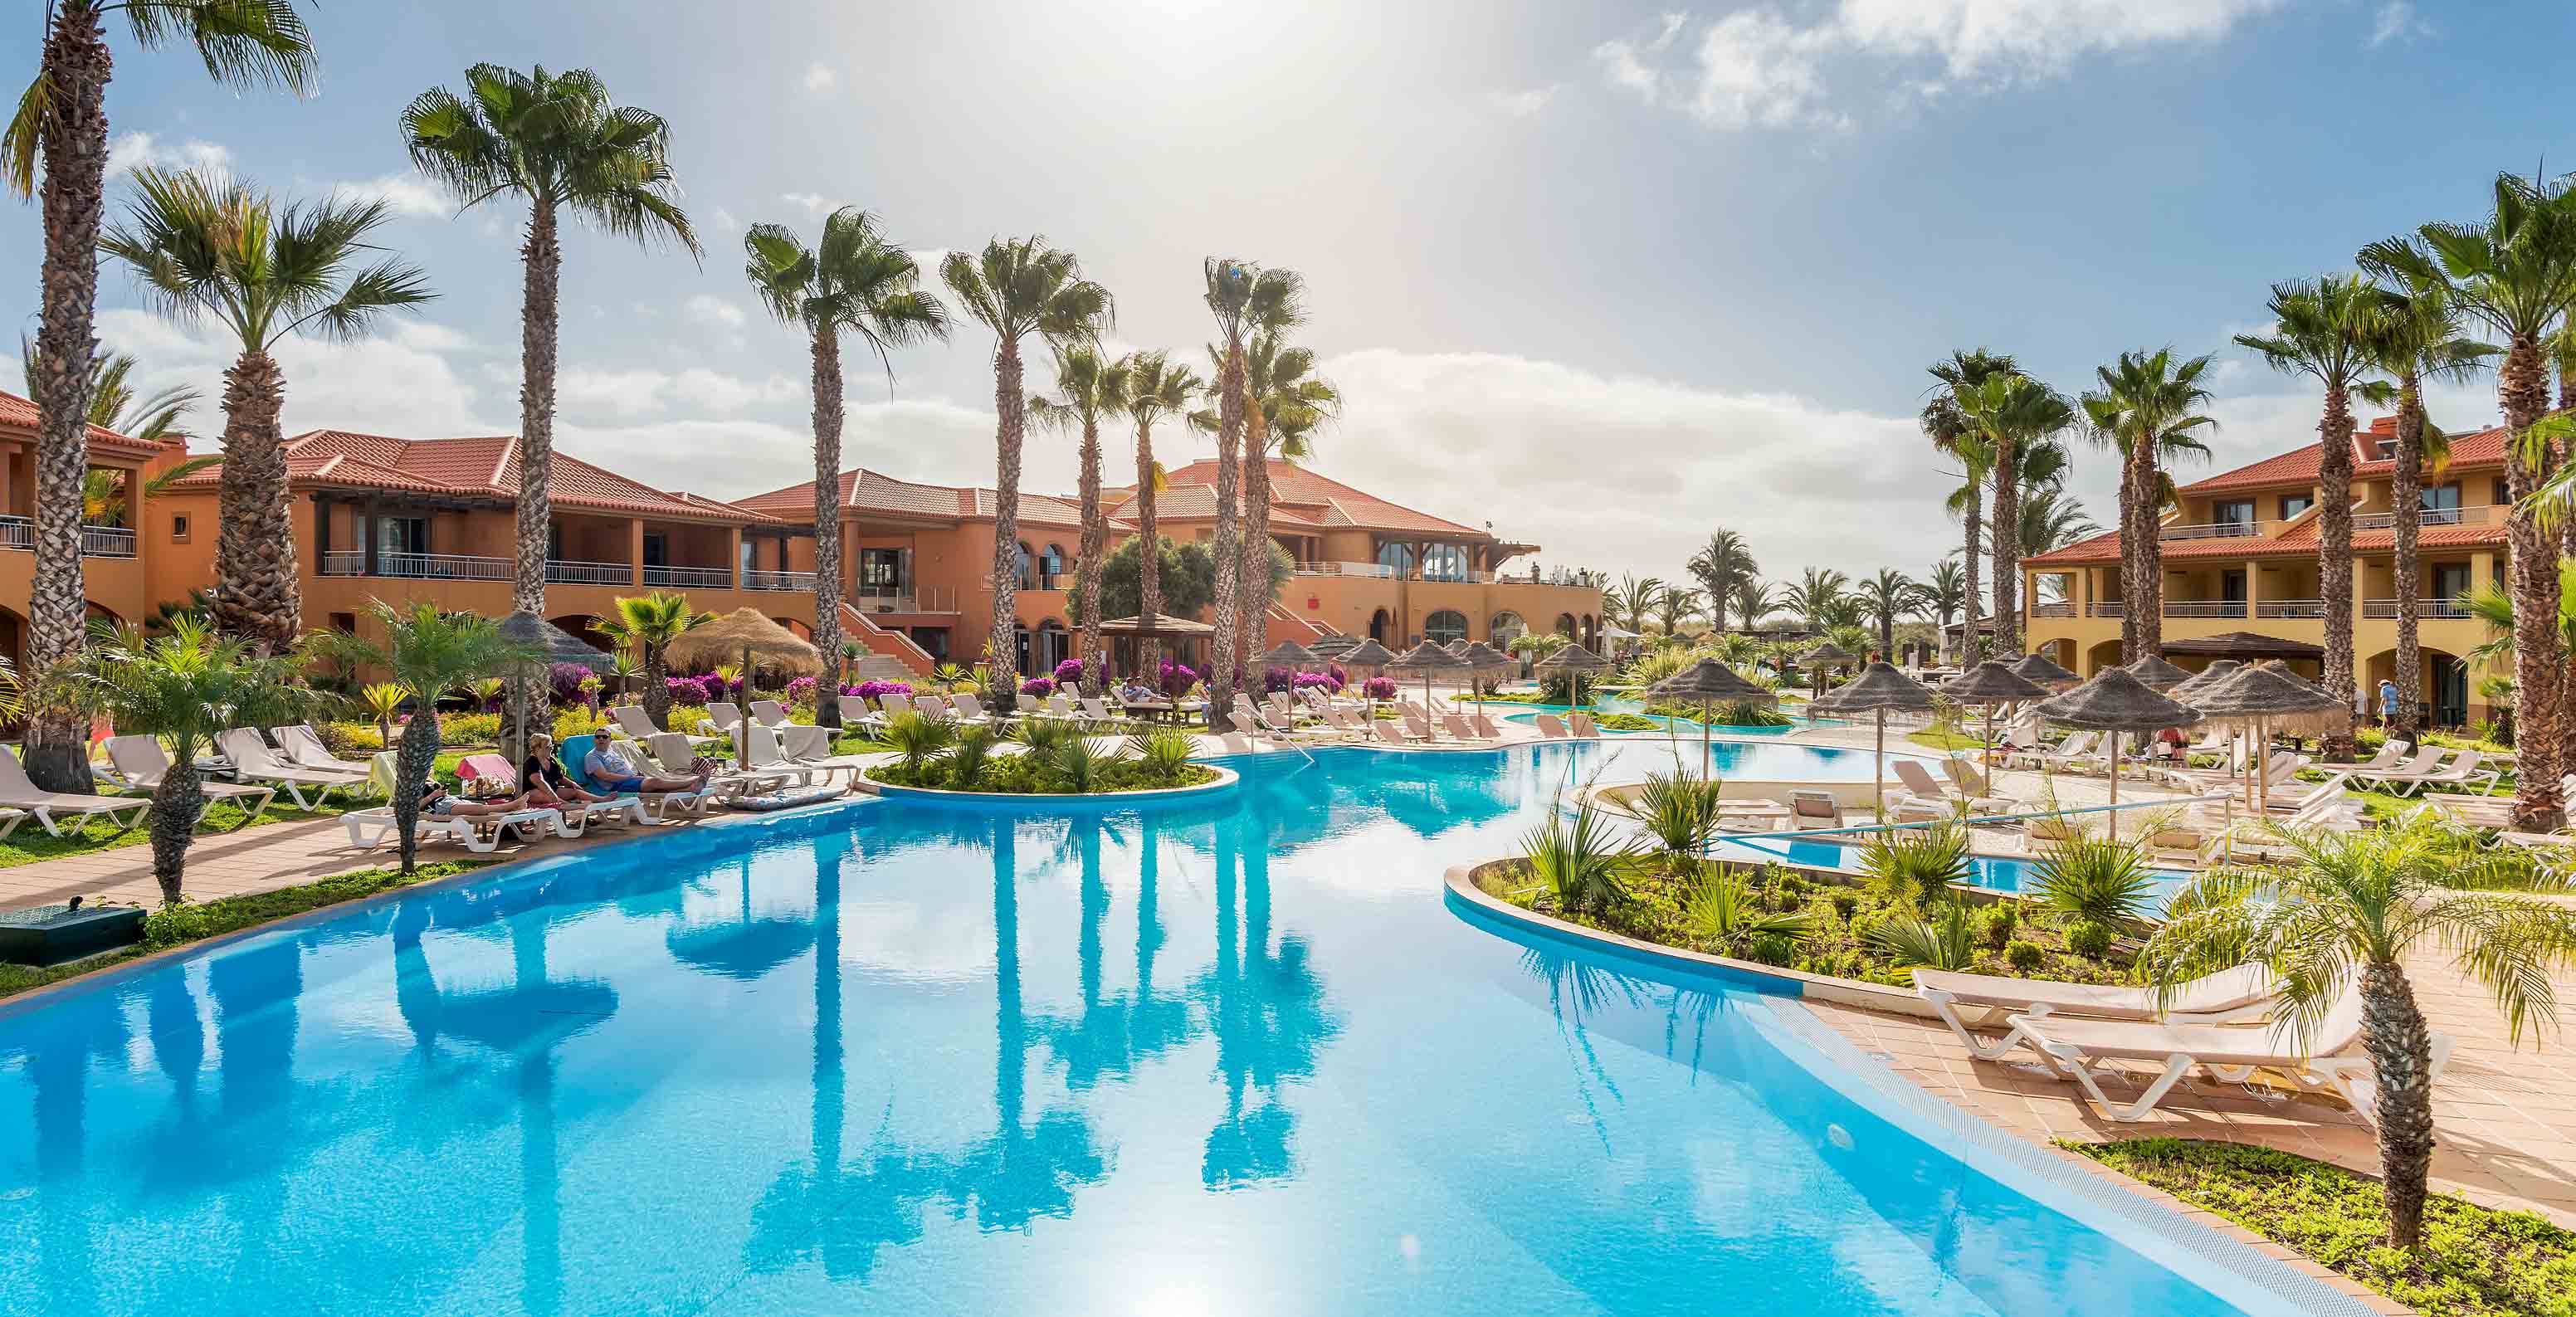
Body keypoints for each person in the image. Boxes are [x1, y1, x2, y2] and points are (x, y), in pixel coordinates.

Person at [583, 735, 712, 794]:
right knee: (655, 782)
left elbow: (621, 768)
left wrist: (634, 775)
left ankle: (691, 788)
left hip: (629, 780)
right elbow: (605, 777)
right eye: (598, 737)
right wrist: (631, 778)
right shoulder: (592, 756)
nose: (601, 739)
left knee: (660, 784)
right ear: (594, 740)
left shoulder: (611, 751)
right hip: (615, 786)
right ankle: (695, 779)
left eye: (604, 737)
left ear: (610, 740)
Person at [522, 734, 616, 808]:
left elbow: (560, 778)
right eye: (548, 746)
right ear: (538, 748)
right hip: (532, 793)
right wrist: (552, 794)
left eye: (552, 745)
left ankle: (602, 800)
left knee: (575, 792)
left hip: (551, 790)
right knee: (545, 795)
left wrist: (573, 784)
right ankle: (571, 806)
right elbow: (539, 782)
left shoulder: (551, 760)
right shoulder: (532, 762)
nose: (552, 748)